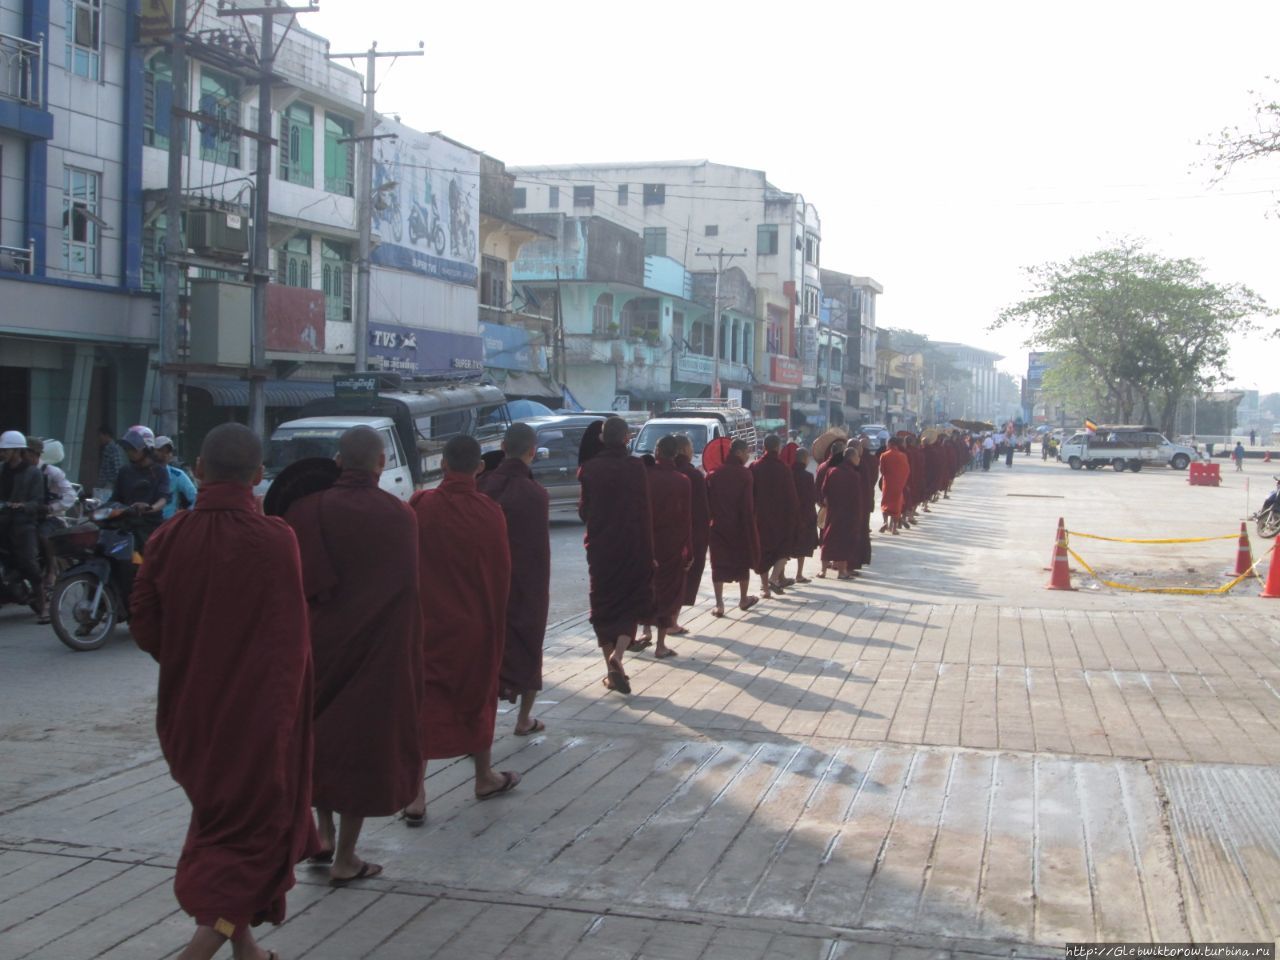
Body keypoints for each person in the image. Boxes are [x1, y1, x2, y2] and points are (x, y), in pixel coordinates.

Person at [130, 423, 319, 960]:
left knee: (225, 826)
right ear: (259, 477)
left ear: (197, 472)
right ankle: (199, 950)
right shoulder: (276, 539)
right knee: (251, 838)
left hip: (191, 717)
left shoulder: (167, 539)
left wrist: (194, 659)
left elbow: (145, 623)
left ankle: (249, 951)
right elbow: (292, 640)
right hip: (259, 721)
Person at [283, 426, 423, 881]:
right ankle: (345, 855)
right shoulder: (399, 516)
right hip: (376, 651)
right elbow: (406, 592)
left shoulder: (305, 510)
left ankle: (321, 833)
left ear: (339, 463)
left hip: (318, 645)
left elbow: (297, 585)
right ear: (381, 465)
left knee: (319, 736)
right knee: (359, 746)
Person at [408, 435, 519, 814]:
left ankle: (416, 795)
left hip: (427, 624)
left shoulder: (421, 506)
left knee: (424, 703)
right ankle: (483, 777)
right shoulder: (489, 512)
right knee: (478, 697)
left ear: (443, 465)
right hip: (474, 625)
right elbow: (501, 575)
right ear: (479, 467)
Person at [478, 422, 552, 735]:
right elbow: (538, 552)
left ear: (503, 448)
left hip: (484, 586)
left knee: (486, 653)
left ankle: (482, 723)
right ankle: (523, 720)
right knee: (528, 646)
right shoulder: (535, 494)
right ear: (532, 452)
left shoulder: (482, 486)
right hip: (524, 586)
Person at [578, 416, 654, 694]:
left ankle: (610, 668)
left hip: (601, 548)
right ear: (627, 438)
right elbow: (645, 510)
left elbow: (585, 511)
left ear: (601, 439)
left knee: (603, 604)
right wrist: (650, 552)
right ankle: (618, 656)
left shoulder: (589, 469)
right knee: (630, 602)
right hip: (633, 546)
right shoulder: (636, 467)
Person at [638, 435, 691, 659]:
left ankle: (645, 630)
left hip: (646, 542)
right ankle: (660, 645)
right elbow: (686, 519)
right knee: (666, 593)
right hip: (671, 544)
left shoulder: (645, 477)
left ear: (657, 451)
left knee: (646, 586)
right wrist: (689, 551)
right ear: (677, 453)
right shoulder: (682, 480)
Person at [706, 438, 760, 617]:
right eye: (746, 453)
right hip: (740, 527)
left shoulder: (714, 474)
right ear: (738, 453)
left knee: (718, 564)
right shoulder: (745, 474)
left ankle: (719, 604)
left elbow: (708, 503)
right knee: (742, 562)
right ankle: (743, 599)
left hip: (719, 527)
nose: (747, 456)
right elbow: (748, 506)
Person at [0, 430, 48, 621]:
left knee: (29, 563)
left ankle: (44, 605)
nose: (3, 453)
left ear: (17, 451)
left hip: (23, 524)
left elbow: (38, 501)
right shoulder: (1, 470)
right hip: (3, 522)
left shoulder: (33, 473)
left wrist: (22, 506)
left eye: (6, 450)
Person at [750, 434, 798, 597]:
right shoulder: (784, 468)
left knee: (763, 551)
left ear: (764, 447)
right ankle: (774, 577)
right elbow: (791, 496)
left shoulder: (755, 467)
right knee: (783, 549)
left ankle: (765, 589)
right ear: (778, 448)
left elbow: (750, 493)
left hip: (760, 517)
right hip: (781, 517)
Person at [24, 437, 76, 591]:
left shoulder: (51, 472)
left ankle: (52, 570)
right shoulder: (20, 472)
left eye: (24, 452)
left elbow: (70, 495)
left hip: (51, 518)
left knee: (43, 535)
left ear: (34, 454)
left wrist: (51, 508)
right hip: (28, 516)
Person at [111, 427, 170, 553]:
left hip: (149, 526)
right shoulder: (124, 471)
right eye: (127, 449)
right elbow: (115, 498)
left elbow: (163, 499)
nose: (129, 452)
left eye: (133, 449)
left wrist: (150, 508)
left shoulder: (160, 472)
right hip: (125, 524)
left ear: (146, 449)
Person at [820, 439, 863, 580]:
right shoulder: (854, 475)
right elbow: (857, 498)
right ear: (851, 458)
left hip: (833, 512)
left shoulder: (832, 471)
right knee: (844, 542)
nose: (859, 460)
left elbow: (824, 493)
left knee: (829, 539)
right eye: (857, 457)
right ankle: (841, 572)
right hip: (848, 514)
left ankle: (823, 571)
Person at [788, 447, 819, 582]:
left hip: (788, 515)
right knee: (802, 544)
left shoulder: (787, 474)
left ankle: (780, 575)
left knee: (786, 546)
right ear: (805, 459)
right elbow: (811, 497)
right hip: (804, 515)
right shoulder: (807, 476)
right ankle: (799, 574)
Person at [154, 437, 199, 521]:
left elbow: (196, 498)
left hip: (167, 524)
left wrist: (185, 515)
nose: (164, 455)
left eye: (168, 451)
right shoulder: (143, 473)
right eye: (160, 450)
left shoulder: (177, 475)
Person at [879, 437, 911, 534]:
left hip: (887, 484)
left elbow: (882, 471)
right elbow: (907, 471)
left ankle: (885, 522)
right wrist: (903, 482)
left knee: (885, 503)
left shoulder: (884, 455)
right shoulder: (903, 456)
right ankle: (894, 529)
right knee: (896, 505)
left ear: (889, 444)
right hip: (898, 484)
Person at [95, 425, 123, 502]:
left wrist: (114, 483)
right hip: (104, 484)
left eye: (100, 435)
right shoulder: (108, 448)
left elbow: (117, 467)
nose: (99, 438)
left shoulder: (113, 448)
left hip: (109, 484)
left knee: (104, 504)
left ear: (106, 435)